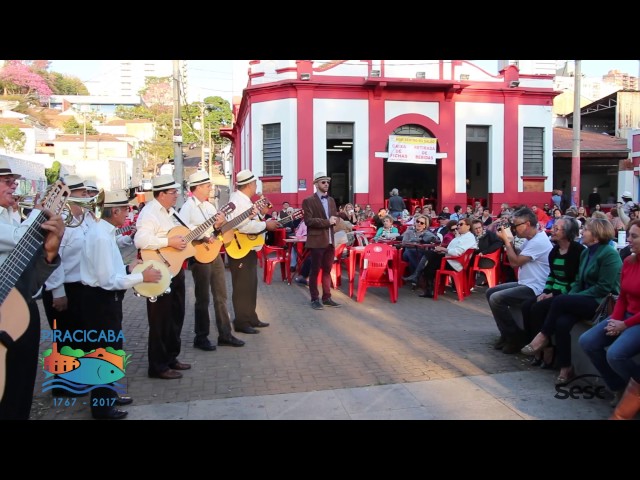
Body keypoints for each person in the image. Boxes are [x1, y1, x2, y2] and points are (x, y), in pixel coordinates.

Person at [80, 189, 163, 420]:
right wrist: (140, 277)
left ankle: (108, 395)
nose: (128, 213)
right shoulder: (99, 236)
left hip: (103, 299)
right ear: (114, 211)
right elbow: (107, 281)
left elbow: (110, 270)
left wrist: (128, 268)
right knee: (103, 352)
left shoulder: (104, 233)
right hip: (99, 301)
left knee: (111, 349)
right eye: (125, 209)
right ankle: (102, 408)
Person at [0, 158, 64, 420]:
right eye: (7, 181)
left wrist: (50, 250)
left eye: (13, 180)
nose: (14, 185)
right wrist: (41, 212)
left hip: (21, 306)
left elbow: (26, 263)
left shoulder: (8, 215)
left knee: (21, 383)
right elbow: (19, 241)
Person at [522, 217, 622, 384]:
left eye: (587, 230)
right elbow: (578, 282)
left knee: (559, 301)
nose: (583, 232)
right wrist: (573, 295)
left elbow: (603, 288)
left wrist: (572, 297)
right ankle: (565, 367)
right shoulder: (586, 252)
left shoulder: (609, 254)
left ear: (596, 236)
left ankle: (543, 336)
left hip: (600, 302)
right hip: (584, 298)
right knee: (562, 323)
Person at [578, 218, 640, 417]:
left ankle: (636, 391)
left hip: (636, 321)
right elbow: (622, 296)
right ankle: (618, 386)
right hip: (625, 316)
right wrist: (615, 320)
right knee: (587, 341)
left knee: (615, 354)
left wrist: (624, 324)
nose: (628, 239)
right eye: (629, 235)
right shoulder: (629, 262)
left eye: (634, 236)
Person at [134, 174, 192, 380]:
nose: (176, 194)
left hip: (175, 270)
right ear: (160, 194)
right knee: (159, 320)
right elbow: (140, 240)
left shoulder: (171, 212)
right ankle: (157, 366)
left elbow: (185, 233)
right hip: (159, 271)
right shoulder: (150, 212)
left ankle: (171, 358)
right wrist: (168, 242)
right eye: (172, 192)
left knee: (176, 316)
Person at [179, 171, 245, 351]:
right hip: (199, 255)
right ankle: (201, 337)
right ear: (198, 187)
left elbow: (219, 228)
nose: (210, 188)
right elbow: (184, 230)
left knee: (221, 295)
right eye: (207, 185)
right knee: (203, 298)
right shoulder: (188, 207)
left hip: (214, 252)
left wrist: (221, 223)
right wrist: (207, 232)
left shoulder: (210, 207)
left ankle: (225, 334)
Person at [40, 175, 93, 397]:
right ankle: (63, 387)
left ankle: (75, 380)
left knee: (76, 337)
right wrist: (58, 292)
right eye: (82, 194)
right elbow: (52, 259)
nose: (86, 198)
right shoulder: (59, 220)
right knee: (65, 338)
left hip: (78, 286)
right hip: (61, 288)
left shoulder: (80, 220)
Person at [485, 207, 553, 354]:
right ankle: (506, 334)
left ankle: (515, 338)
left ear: (527, 224)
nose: (514, 229)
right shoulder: (530, 240)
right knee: (491, 292)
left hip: (536, 287)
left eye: (516, 226)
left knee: (497, 298)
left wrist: (507, 243)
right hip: (526, 282)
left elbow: (515, 262)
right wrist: (509, 240)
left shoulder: (539, 241)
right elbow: (517, 254)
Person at [520, 216, 584, 368]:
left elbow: (577, 281)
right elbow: (552, 275)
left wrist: (554, 294)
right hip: (553, 290)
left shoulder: (578, 252)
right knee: (526, 306)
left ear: (567, 232)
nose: (552, 231)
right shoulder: (554, 251)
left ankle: (546, 348)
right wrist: (546, 291)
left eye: (557, 229)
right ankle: (536, 345)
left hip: (567, 293)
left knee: (538, 308)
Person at [226, 170, 278, 332]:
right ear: (248, 184)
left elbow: (251, 221)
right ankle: (241, 322)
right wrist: (265, 225)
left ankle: (251, 317)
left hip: (248, 248)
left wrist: (262, 216)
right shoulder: (238, 202)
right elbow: (242, 226)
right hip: (239, 249)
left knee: (250, 285)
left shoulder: (246, 201)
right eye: (255, 183)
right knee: (242, 287)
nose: (257, 186)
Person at [302, 171, 342, 310]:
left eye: (327, 182)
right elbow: (308, 221)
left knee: (327, 270)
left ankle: (327, 297)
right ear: (316, 184)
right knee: (314, 271)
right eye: (323, 182)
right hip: (317, 241)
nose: (326, 184)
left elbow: (333, 217)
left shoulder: (331, 200)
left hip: (330, 240)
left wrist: (336, 219)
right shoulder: (308, 201)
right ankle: (314, 298)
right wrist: (327, 222)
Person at [418, 217, 476, 298]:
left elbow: (457, 252)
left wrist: (443, 249)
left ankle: (421, 280)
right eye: (458, 224)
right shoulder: (461, 236)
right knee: (430, 256)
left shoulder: (468, 237)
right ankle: (422, 279)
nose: (458, 226)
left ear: (468, 226)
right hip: (451, 260)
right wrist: (442, 250)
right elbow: (452, 249)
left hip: (455, 263)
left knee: (429, 261)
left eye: (461, 224)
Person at [401, 215, 438, 283]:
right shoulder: (409, 232)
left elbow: (435, 239)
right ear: (415, 222)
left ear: (425, 225)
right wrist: (416, 243)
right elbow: (404, 243)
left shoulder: (427, 233)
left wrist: (416, 241)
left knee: (418, 255)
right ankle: (420, 274)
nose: (419, 224)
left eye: (422, 223)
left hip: (421, 252)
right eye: (418, 221)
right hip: (408, 252)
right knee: (409, 252)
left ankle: (415, 277)